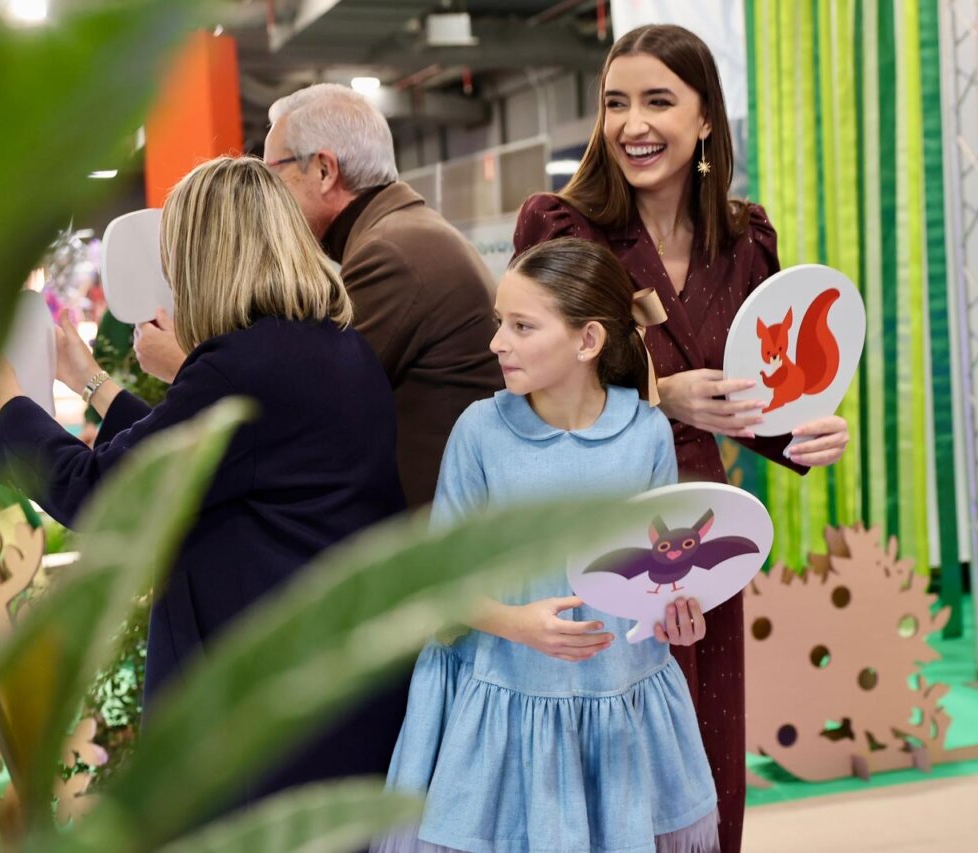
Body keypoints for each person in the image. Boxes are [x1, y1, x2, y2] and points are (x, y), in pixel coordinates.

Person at [512, 24, 851, 852]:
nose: (633, 124)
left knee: (702, 758)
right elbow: (529, 384)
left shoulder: (743, 241)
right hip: (593, 526)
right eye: (615, 103)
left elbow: (756, 398)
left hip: (703, 538)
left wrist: (802, 433)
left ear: (705, 119)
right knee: (604, 767)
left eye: (658, 101)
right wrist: (663, 397)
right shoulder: (562, 230)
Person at [0, 156, 408, 805]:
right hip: (333, 690)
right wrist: (91, 382)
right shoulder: (332, 346)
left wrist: (8, 402)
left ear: (204, 256)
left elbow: (106, 494)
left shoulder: (239, 367)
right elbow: (205, 457)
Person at [375, 237, 718, 853]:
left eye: (521, 326)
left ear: (588, 341)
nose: (496, 343)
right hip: (506, 706)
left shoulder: (647, 434)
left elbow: (660, 580)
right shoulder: (479, 433)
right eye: (499, 322)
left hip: (621, 716)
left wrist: (678, 619)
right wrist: (515, 624)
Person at [134, 83, 502, 508]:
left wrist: (183, 363)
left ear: (325, 170)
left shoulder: (391, 254)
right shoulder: (401, 234)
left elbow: (299, 407)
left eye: (272, 174)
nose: (266, 197)